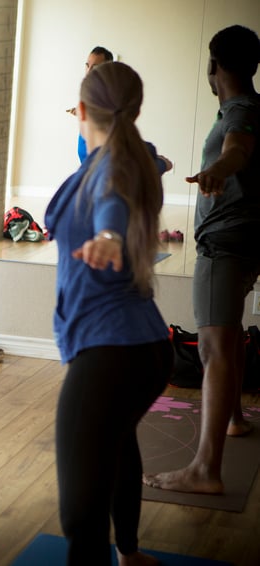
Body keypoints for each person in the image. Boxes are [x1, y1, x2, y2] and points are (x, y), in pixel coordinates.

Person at [44, 61, 173, 566]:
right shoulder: (128, 158)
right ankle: (130, 551)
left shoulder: (112, 170)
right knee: (116, 445)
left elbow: (110, 204)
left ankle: (112, 549)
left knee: (79, 511)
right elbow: (133, 175)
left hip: (111, 350)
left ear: (80, 109)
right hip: (142, 347)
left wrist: (109, 236)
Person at [143, 25, 260, 496]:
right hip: (246, 236)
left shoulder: (239, 111)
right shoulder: (253, 107)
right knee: (227, 335)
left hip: (225, 239)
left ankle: (205, 469)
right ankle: (232, 417)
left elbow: (238, 149)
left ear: (214, 65)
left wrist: (217, 169)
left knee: (211, 347)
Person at [67, 46, 114, 163]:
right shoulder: (89, 93)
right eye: (87, 65)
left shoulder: (112, 97)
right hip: (87, 165)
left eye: (95, 67)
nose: (89, 71)